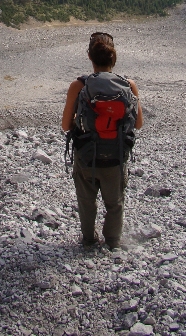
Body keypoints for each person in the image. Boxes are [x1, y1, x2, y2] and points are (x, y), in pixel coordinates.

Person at [62, 32, 143, 249]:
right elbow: (138, 124)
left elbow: (65, 125)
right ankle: (113, 242)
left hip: (86, 155)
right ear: (113, 58)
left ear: (89, 56)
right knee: (115, 203)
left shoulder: (78, 86)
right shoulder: (129, 85)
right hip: (116, 156)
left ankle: (89, 241)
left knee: (87, 202)